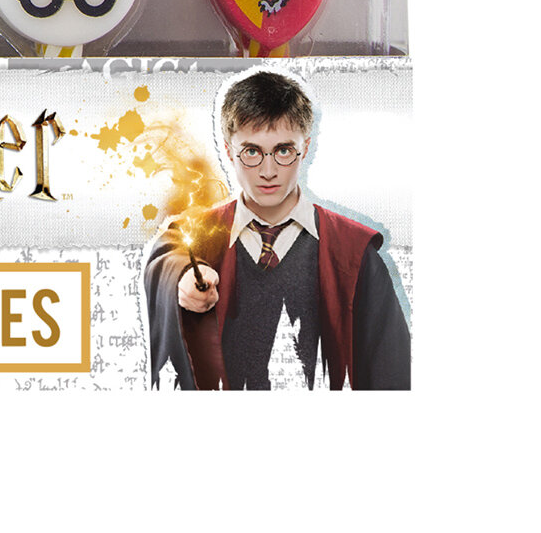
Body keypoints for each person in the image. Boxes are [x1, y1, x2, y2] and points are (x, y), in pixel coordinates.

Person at [143, 70, 410, 390]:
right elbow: (169, 252)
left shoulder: (353, 252)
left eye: (283, 150)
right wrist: (182, 277)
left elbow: (391, 374)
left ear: (305, 148)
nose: (268, 171)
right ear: (228, 151)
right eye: (251, 152)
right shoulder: (200, 238)